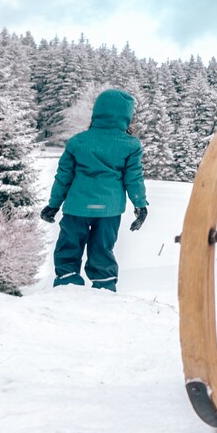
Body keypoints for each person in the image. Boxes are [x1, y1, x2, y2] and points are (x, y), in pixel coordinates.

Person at [40, 88, 148, 291]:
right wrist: (140, 205)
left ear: (97, 111)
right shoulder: (131, 145)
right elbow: (134, 178)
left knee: (69, 247)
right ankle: (104, 287)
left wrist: (53, 205)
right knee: (102, 249)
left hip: (76, 208)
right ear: (127, 115)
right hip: (110, 210)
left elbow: (63, 177)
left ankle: (66, 284)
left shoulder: (78, 141)